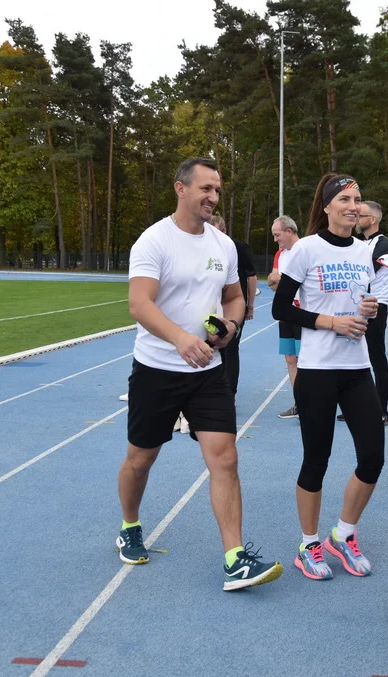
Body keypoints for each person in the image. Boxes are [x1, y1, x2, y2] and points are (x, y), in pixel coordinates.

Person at [118, 157, 282, 591]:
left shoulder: (222, 245)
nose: (213, 197)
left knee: (225, 458)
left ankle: (235, 558)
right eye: (206, 188)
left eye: (217, 190)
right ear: (181, 189)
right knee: (141, 458)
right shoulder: (153, 241)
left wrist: (229, 326)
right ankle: (130, 525)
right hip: (157, 369)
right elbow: (140, 304)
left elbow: (233, 299)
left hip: (208, 369)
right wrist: (179, 339)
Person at [272, 173, 383, 580]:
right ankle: (308, 543)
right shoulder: (305, 249)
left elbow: (359, 304)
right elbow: (281, 308)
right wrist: (331, 322)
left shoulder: (362, 252)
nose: (354, 206)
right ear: (327, 206)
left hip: (356, 370)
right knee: (316, 460)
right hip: (317, 371)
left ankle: (344, 533)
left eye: (358, 199)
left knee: (373, 456)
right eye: (346, 199)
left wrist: (367, 309)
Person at [339, 200, 388, 424]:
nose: (356, 218)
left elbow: (366, 272)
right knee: (351, 357)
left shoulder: (383, 244)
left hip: (376, 307)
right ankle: (354, 406)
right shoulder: (360, 243)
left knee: (376, 358)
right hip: (356, 306)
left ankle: (381, 410)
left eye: (360, 216)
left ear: (372, 220)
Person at [210, 215, 257, 395]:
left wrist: (249, 306)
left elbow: (251, 277)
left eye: (217, 232)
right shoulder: (205, 248)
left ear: (224, 231)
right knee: (212, 346)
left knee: (230, 347)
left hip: (234, 306)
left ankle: (230, 392)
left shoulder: (238, 248)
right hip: (212, 308)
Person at [267, 215, 303, 418]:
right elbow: (272, 283)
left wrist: (281, 280)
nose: (275, 239)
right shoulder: (280, 255)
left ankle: (311, 401)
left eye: (277, 235)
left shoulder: (306, 250)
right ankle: (299, 402)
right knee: (290, 358)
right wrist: (281, 280)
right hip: (285, 313)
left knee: (305, 359)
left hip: (303, 312)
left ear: (289, 231)